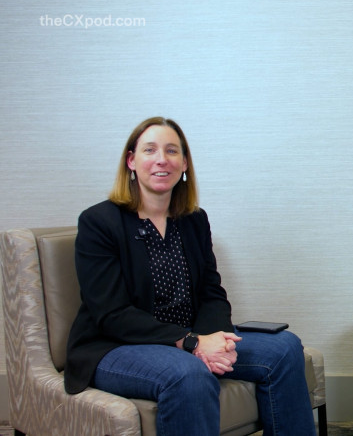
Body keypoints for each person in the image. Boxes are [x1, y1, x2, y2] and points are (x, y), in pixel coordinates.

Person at [65, 117, 316, 435]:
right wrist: (192, 343)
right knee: (189, 374)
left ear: (184, 164)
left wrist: (218, 340)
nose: (161, 159)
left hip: (189, 337)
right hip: (116, 346)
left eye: (172, 151)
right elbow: (111, 314)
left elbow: (211, 291)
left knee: (285, 347)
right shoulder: (99, 222)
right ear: (131, 161)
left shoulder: (194, 220)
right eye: (150, 150)